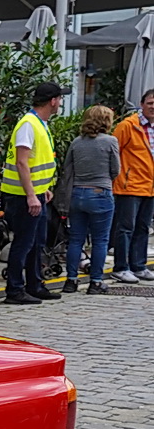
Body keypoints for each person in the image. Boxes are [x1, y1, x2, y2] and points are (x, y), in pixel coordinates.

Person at [0, 82, 63, 305]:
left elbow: (34, 162)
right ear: (53, 101)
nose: (60, 103)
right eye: (59, 99)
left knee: (36, 242)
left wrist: (41, 189)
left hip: (34, 194)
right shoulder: (29, 124)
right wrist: (30, 195)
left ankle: (34, 284)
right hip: (21, 196)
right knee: (24, 243)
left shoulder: (38, 123)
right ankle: (15, 289)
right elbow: (22, 162)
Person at [62, 105, 120, 295]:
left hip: (78, 193)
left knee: (76, 240)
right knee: (100, 240)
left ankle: (70, 281)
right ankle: (95, 282)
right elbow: (115, 170)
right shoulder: (111, 141)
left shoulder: (77, 142)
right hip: (100, 192)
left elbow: (67, 168)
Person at [111, 88, 154, 284]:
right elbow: (113, 153)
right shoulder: (127, 126)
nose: (153, 107)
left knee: (143, 227)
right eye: (150, 103)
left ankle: (139, 265)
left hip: (150, 186)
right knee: (125, 227)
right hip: (129, 186)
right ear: (142, 104)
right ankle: (121, 267)